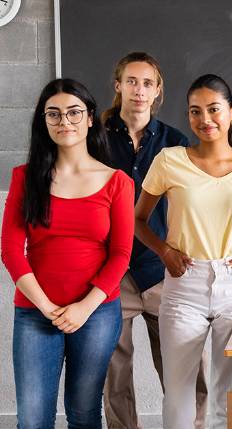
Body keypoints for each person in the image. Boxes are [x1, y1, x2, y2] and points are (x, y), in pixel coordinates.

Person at [134, 74, 232, 428]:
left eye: (214, 110)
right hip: (185, 284)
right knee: (179, 389)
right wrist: (165, 251)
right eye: (195, 112)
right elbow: (138, 220)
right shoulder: (170, 160)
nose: (205, 120)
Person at [1, 78, 133, 428]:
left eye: (74, 113)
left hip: (97, 313)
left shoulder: (117, 181)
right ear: (44, 122)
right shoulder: (26, 178)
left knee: (84, 413)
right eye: (54, 115)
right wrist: (46, 307)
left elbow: (121, 253)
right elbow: (11, 250)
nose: (65, 122)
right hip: (35, 312)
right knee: (32, 419)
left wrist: (84, 307)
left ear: (90, 118)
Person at [101, 51, 208, 429]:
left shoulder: (176, 143)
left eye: (148, 83)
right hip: (112, 272)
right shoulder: (94, 138)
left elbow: (193, 206)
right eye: (131, 81)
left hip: (163, 268)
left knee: (185, 365)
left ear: (158, 90)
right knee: (115, 369)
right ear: (118, 86)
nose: (139, 90)